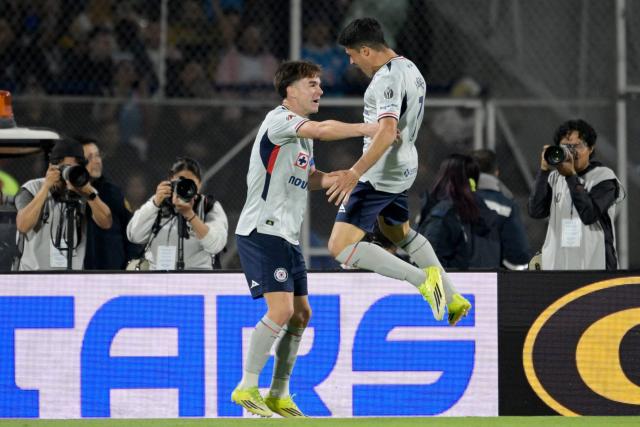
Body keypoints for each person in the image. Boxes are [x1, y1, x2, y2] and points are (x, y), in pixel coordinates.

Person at [233, 60, 377, 418]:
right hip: (261, 230)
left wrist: (335, 178)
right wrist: (369, 128)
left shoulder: (299, 139)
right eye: (312, 84)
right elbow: (326, 129)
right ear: (290, 91)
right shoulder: (279, 120)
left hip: (286, 235)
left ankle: (279, 393)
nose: (319, 90)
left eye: (319, 84)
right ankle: (247, 386)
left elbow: (308, 176)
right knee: (280, 310)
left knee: (301, 313)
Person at [326, 17, 470, 325]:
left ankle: (421, 280)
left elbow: (388, 131)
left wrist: (354, 172)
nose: (351, 62)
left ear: (366, 50)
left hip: (378, 173)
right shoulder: (411, 68)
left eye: (352, 55)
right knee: (398, 232)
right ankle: (453, 295)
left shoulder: (387, 79)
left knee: (340, 246)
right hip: (403, 166)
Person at [528, 119, 624, 270]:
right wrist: (544, 170)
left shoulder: (604, 177)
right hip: (557, 268)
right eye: (566, 147)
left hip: (594, 268)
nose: (571, 152)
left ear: (591, 148)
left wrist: (571, 176)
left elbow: (589, 214)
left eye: (577, 146)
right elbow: (536, 211)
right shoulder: (554, 178)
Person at [13, 139, 112, 270]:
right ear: (51, 167)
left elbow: (106, 222)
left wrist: (89, 193)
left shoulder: (84, 191)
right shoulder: (31, 188)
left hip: (70, 278)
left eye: (75, 168)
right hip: (34, 278)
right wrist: (46, 187)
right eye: (66, 167)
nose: (69, 174)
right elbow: (23, 225)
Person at [126, 157, 227, 270]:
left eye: (190, 184)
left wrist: (190, 215)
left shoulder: (208, 206)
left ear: (199, 184)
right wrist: (154, 203)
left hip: (197, 281)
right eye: (180, 183)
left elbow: (216, 245)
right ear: (170, 182)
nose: (184, 187)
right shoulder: (158, 203)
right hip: (159, 279)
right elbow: (134, 235)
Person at [417, 154, 501, 269]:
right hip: (488, 284)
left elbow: (429, 264)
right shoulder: (486, 214)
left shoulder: (444, 215)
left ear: (443, 177)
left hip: (455, 284)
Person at [77, 136, 141, 270]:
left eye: (98, 156)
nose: (96, 161)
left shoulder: (112, 193)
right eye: (89, 158)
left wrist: (132, 265)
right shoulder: (65, 194)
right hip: (75, 275)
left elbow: (131, 233)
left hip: (111, 274)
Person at [470, 148, 531, 269]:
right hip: (491, 278)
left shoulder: (449, 201)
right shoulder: (506, 206)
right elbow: (519, 254)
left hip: (450, 277)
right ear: (496, 172)